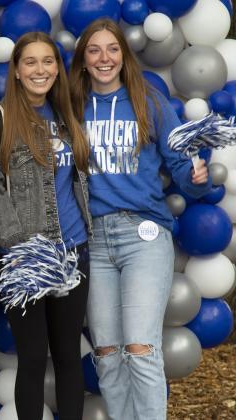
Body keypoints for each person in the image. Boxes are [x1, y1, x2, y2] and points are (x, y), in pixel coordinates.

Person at [69, 18, 211, 420]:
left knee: (140, 348)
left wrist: (195, 179)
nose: (104, 58)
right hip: (93, 240)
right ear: (82, 60)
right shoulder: (72, 106)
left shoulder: (148, 101)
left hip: (143, 237)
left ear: (123, 56)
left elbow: (181, 166)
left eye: (112, 49)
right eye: (94, 50)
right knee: (108, 353)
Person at [0, 32, 92, 419]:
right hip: (26, 256)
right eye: (31, 62)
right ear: (17, 72)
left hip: (72, 250)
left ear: (57, 68)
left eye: (48, 61)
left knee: (69, 356)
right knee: (34, 358)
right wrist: (22, 249)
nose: (40, 69)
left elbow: (75, 182)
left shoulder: (65, 116)